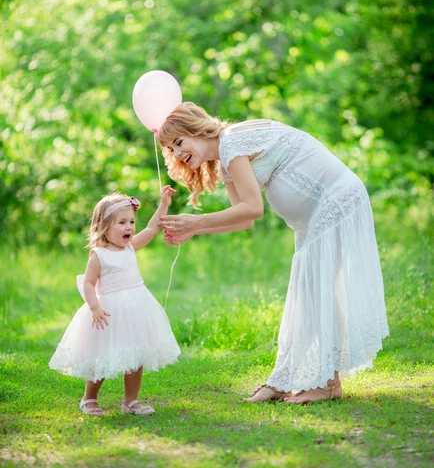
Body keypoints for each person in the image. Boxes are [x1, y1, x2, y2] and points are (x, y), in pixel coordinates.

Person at [157, 102, 389, 404]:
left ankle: (327, 383)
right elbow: (244, 220)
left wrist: (196, 222)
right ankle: (285, 380)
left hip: (334, 200)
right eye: (170, 150)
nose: (177, 154)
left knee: (315, 289)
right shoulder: (227, 157)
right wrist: (192, 230)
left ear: (196, 130)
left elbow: (253, 207)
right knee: (309, 290)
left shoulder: (231, 142)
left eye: (178, 142)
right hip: (318, 212)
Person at [49, 188, 181, 416]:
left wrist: (164, 203)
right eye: (121, 222)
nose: (129, 227)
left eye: (131, 221)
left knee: (136, 356)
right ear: (104, 226)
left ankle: (130, 401)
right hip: (109, 313)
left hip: (137, 309)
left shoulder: (130, 247)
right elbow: (89, 284)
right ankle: (89, 398)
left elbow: (151, 228)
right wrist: (95, 307)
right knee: (102, 356)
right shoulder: (99, 255)